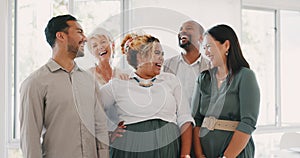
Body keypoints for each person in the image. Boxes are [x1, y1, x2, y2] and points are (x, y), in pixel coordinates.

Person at [19, 14, 109, 158]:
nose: (85, 38)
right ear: (61, 36)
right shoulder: (35, 83)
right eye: (79, 32)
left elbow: (100, 128)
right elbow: (30, 138)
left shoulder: (89, 80)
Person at [100, 33, 194, 158]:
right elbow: (92, 109)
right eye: (156, 53)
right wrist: (109, 133)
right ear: (140, 57)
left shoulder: (171, 80)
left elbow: (185, 118)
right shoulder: (119, 83)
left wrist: (185, 154)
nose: (161, 58)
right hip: (130, 149)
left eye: (162, 54)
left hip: (168, 148)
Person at [192, 24, 260, 158]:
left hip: (235, 153)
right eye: (204, 48)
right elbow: (196, 120)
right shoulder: (203, 79)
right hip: (205, 152)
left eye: (209, 46)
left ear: (226, 45)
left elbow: (248, 123)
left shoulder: (245, 76)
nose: (206, 53)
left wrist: (226, 157)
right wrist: (199, 155)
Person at [87, 27, 128, 132]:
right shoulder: (87, 76)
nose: (100, 47)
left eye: (103, 42)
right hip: (100, 134)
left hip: (123, 132)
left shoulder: (123, 75)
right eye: (94, 46)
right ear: (91, 52)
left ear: (112, 45)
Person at [163, 20, 209, 109]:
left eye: (189, 28)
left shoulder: (211, 67)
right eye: (181, 29)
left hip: (200, 121)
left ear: (201, 38)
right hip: (173, 120)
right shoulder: (166, 65)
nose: (182, 31)